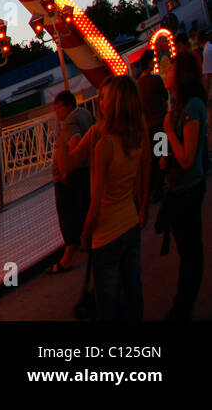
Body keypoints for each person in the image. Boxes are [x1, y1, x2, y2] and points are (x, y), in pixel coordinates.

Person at [81, 76, 148, 321]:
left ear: (116, 103)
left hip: (107, 234)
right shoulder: (136, 137)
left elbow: (96, 203)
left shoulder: (105, 146)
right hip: (130, 223)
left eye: (104, 98)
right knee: (132, 289)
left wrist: (86, 234)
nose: (100, 103)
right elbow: (141, 172)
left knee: (107, 301)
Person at [158, 51, 207, 321]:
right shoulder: (177, 106)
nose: (166, 72)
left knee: (190, 253)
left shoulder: (193, 107)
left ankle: (182, 307)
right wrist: (166, 157)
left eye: (171, 69)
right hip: (177, 188)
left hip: (188, 187)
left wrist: (167, 131)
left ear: (181, 75)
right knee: (186, 249)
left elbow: (188, 158)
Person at [49, 91, 93, 273]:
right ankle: (86, 242)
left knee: (68, 216)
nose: (56, 112)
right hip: (85, 171)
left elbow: (75, 142)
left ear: (65, 106)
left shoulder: (68, 123)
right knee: (83, 207)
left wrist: (67, 168)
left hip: (70, 176)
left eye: (57, 107)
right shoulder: (85, 113)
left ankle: (68, 257)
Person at [135, 49, 169, 203]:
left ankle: (156, 187)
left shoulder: (137, 85)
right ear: (149, 63)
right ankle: (165, 185)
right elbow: (165, 96)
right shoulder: (155, 80)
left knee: (153, 158)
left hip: (147, 127)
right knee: (162, 154)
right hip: (160, 123)